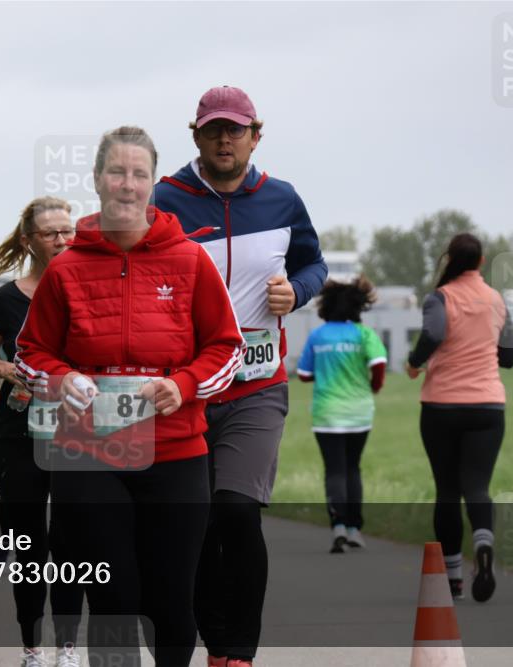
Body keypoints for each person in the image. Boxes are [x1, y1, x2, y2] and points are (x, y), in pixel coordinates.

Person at [16, 127, 246, 667]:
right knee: (115, 601)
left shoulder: (190, 261)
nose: (127, 184)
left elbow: (226, 349)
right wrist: (63, 379)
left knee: (170, 601)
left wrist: (183, 385)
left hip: (176, 452)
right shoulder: (67, 268)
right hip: (89, 454)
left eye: (139, 174)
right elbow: (29, 354)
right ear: (97, 180)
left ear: (152, 183)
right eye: (116, 172)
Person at [153, 85, 327, 667]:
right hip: (187, 389)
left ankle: (238, 652)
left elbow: (314, 264)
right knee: (195, 520)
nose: (224, 139)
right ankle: (210, 633)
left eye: (235, 130)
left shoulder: (282, 199)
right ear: (195, 135)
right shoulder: (165, 200)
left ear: (256, 135)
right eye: (213, 130)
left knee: (236, 509)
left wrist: (295, 291)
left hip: (257, 384)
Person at [0, 195, 85, 666]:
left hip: (76, 432)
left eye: (68, 231)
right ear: (29, 241)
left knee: (70, 538)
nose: (63, 240)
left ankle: (66, 647)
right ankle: (31, 647)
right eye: (51, 233)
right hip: (19, 432)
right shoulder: (6, 299)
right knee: (28, 541)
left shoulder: (88, 289)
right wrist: (10, 371)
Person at [406, 233, 513, 602]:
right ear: (481, 262)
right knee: (478, 487)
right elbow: (510, 356)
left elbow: (434, 333)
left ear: (449, 259)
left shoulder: (441, 297)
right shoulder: (497, 300)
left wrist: (413, 362)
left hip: (442, 406)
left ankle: (453, 578)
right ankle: (483, 545)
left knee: (448, 491)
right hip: (488, 406)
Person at [297, 277, 387, 553]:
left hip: (326, 413)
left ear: (326, 306)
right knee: (353, 467)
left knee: (334, 469)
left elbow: (303, 374)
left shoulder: (317, 336)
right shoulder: (364, 334)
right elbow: (379, 365)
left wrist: (325, 374)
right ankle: (355, 529)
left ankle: (337, 525)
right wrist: (372, 386)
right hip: (359, 411)